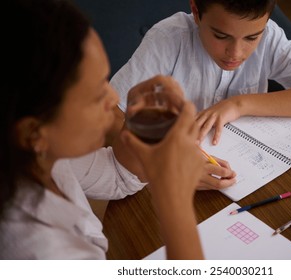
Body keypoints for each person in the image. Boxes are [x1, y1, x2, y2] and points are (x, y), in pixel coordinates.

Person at [0, 0, 203, 259]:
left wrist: (139, 123)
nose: (114, 97)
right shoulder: (37, 251)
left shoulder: (47, 159)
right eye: (97, 95)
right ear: (33, 133)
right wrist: (175, 203)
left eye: (105, 80)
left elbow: (118, 176)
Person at [110, 0, 291, 146]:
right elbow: (111, 118)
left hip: (243, 165)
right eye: (221, 36)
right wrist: (164, 161)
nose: (236, 53)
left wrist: (238, 105)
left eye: (252, 38)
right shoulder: (168, 40)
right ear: (196, 12)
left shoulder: (270, 36)